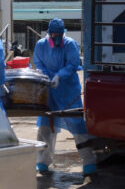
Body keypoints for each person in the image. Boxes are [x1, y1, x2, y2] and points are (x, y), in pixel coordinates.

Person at [33, 18, 97, 175]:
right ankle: (42, 160)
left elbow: (72, 64)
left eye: (59, 35)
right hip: (48, 90)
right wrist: (46, 77)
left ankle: (88, 160)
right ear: (48, 33)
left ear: (63, 34)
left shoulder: (69, 44)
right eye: (53, 35)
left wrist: (59, 76)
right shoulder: (41, 45)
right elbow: (38, 63)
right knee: (45, 124)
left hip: (68, 90)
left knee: (77, 124)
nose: (56, 38)